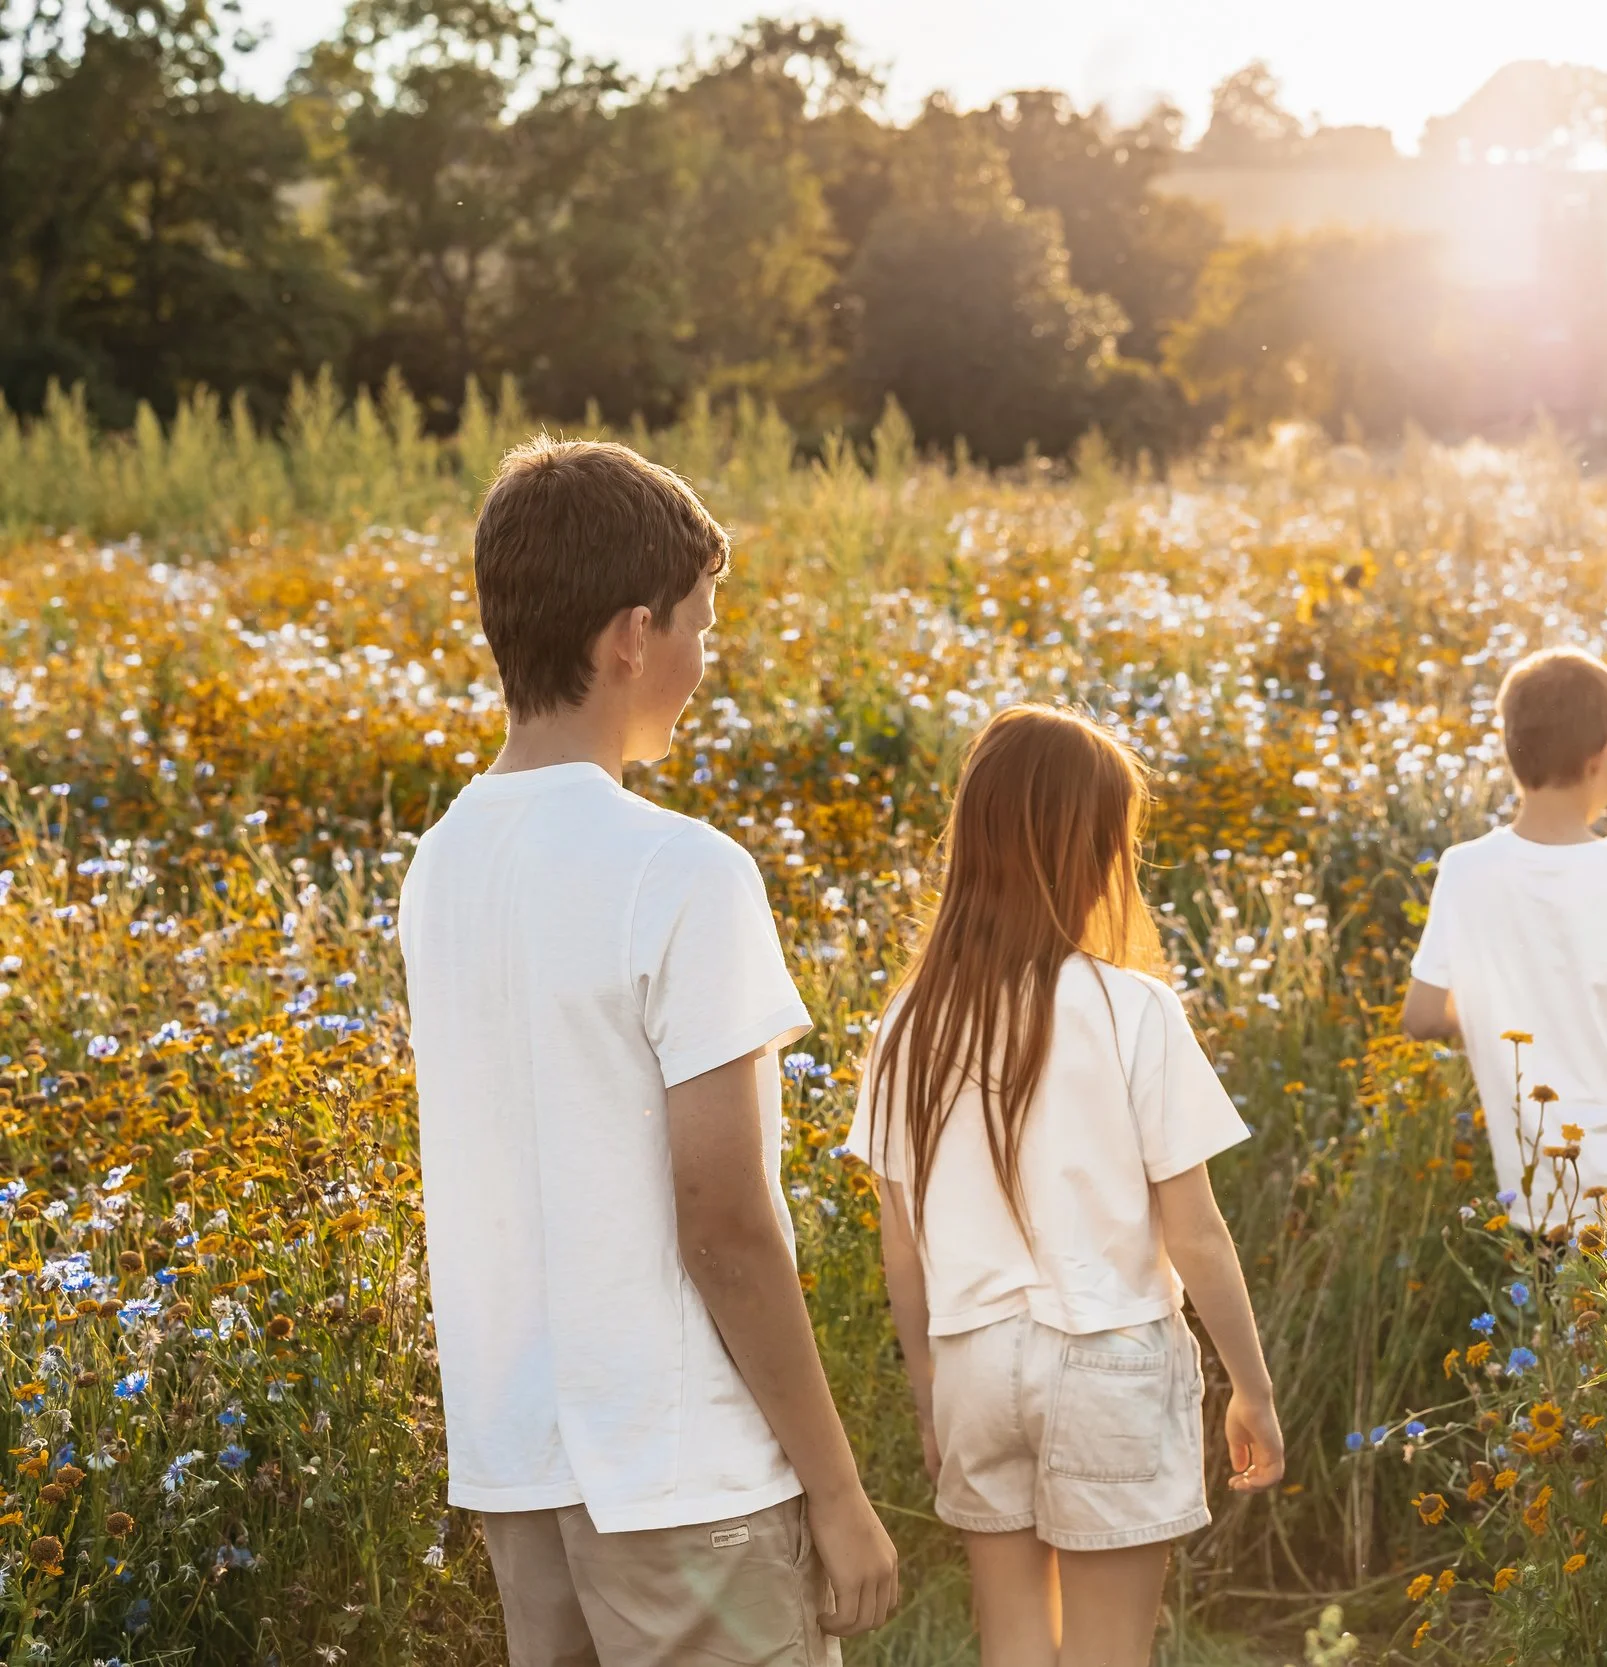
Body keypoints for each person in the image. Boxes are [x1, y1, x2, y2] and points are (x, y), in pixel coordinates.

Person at [399, 438, 898, 1667]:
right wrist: (837, 1491)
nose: (703, 656)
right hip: (681, 1475)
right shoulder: (683, 870)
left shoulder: (440, 865)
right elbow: (723, 1218)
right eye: (699, 623)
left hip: (520, 1463)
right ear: (632, 635)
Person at [849, 704, 1286, 1667]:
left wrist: (929, 1396)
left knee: (1014, 1651)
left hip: (972, 1362)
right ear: (1087, 854)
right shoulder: (1133, 1010)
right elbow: (1197, 1232)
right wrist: (1249, 1386)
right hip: (1108, 1356)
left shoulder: (908, 1026)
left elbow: (903, 1243)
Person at [1398, 646, 1607, 1237]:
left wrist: (1503, 1017)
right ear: (1604, 756)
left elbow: (1419, 1017)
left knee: (1552, 1331)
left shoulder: (1464, 869)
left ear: (1510, 747)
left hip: (1538, 1206)